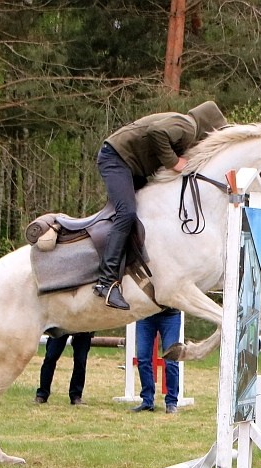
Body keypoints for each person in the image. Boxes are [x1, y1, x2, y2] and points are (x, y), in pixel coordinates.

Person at [93, 101, 227, 311]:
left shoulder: (185, 127)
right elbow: (157, 132)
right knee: (127, 214)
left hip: (129, 165)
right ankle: (106, 282)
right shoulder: (188, 127)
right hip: (116, 159)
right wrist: (173, 162)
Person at [132, 309, 182, 413]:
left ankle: (171, 402)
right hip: (145, 314)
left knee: (171, 361)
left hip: (170, 315)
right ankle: (147, 401)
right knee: (142, 359)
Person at [35, 331, 94, 405]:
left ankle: (76, 396)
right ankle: (42, 395)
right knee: (50, 357)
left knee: (80, 361)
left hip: (83, 327)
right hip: (61, 325)